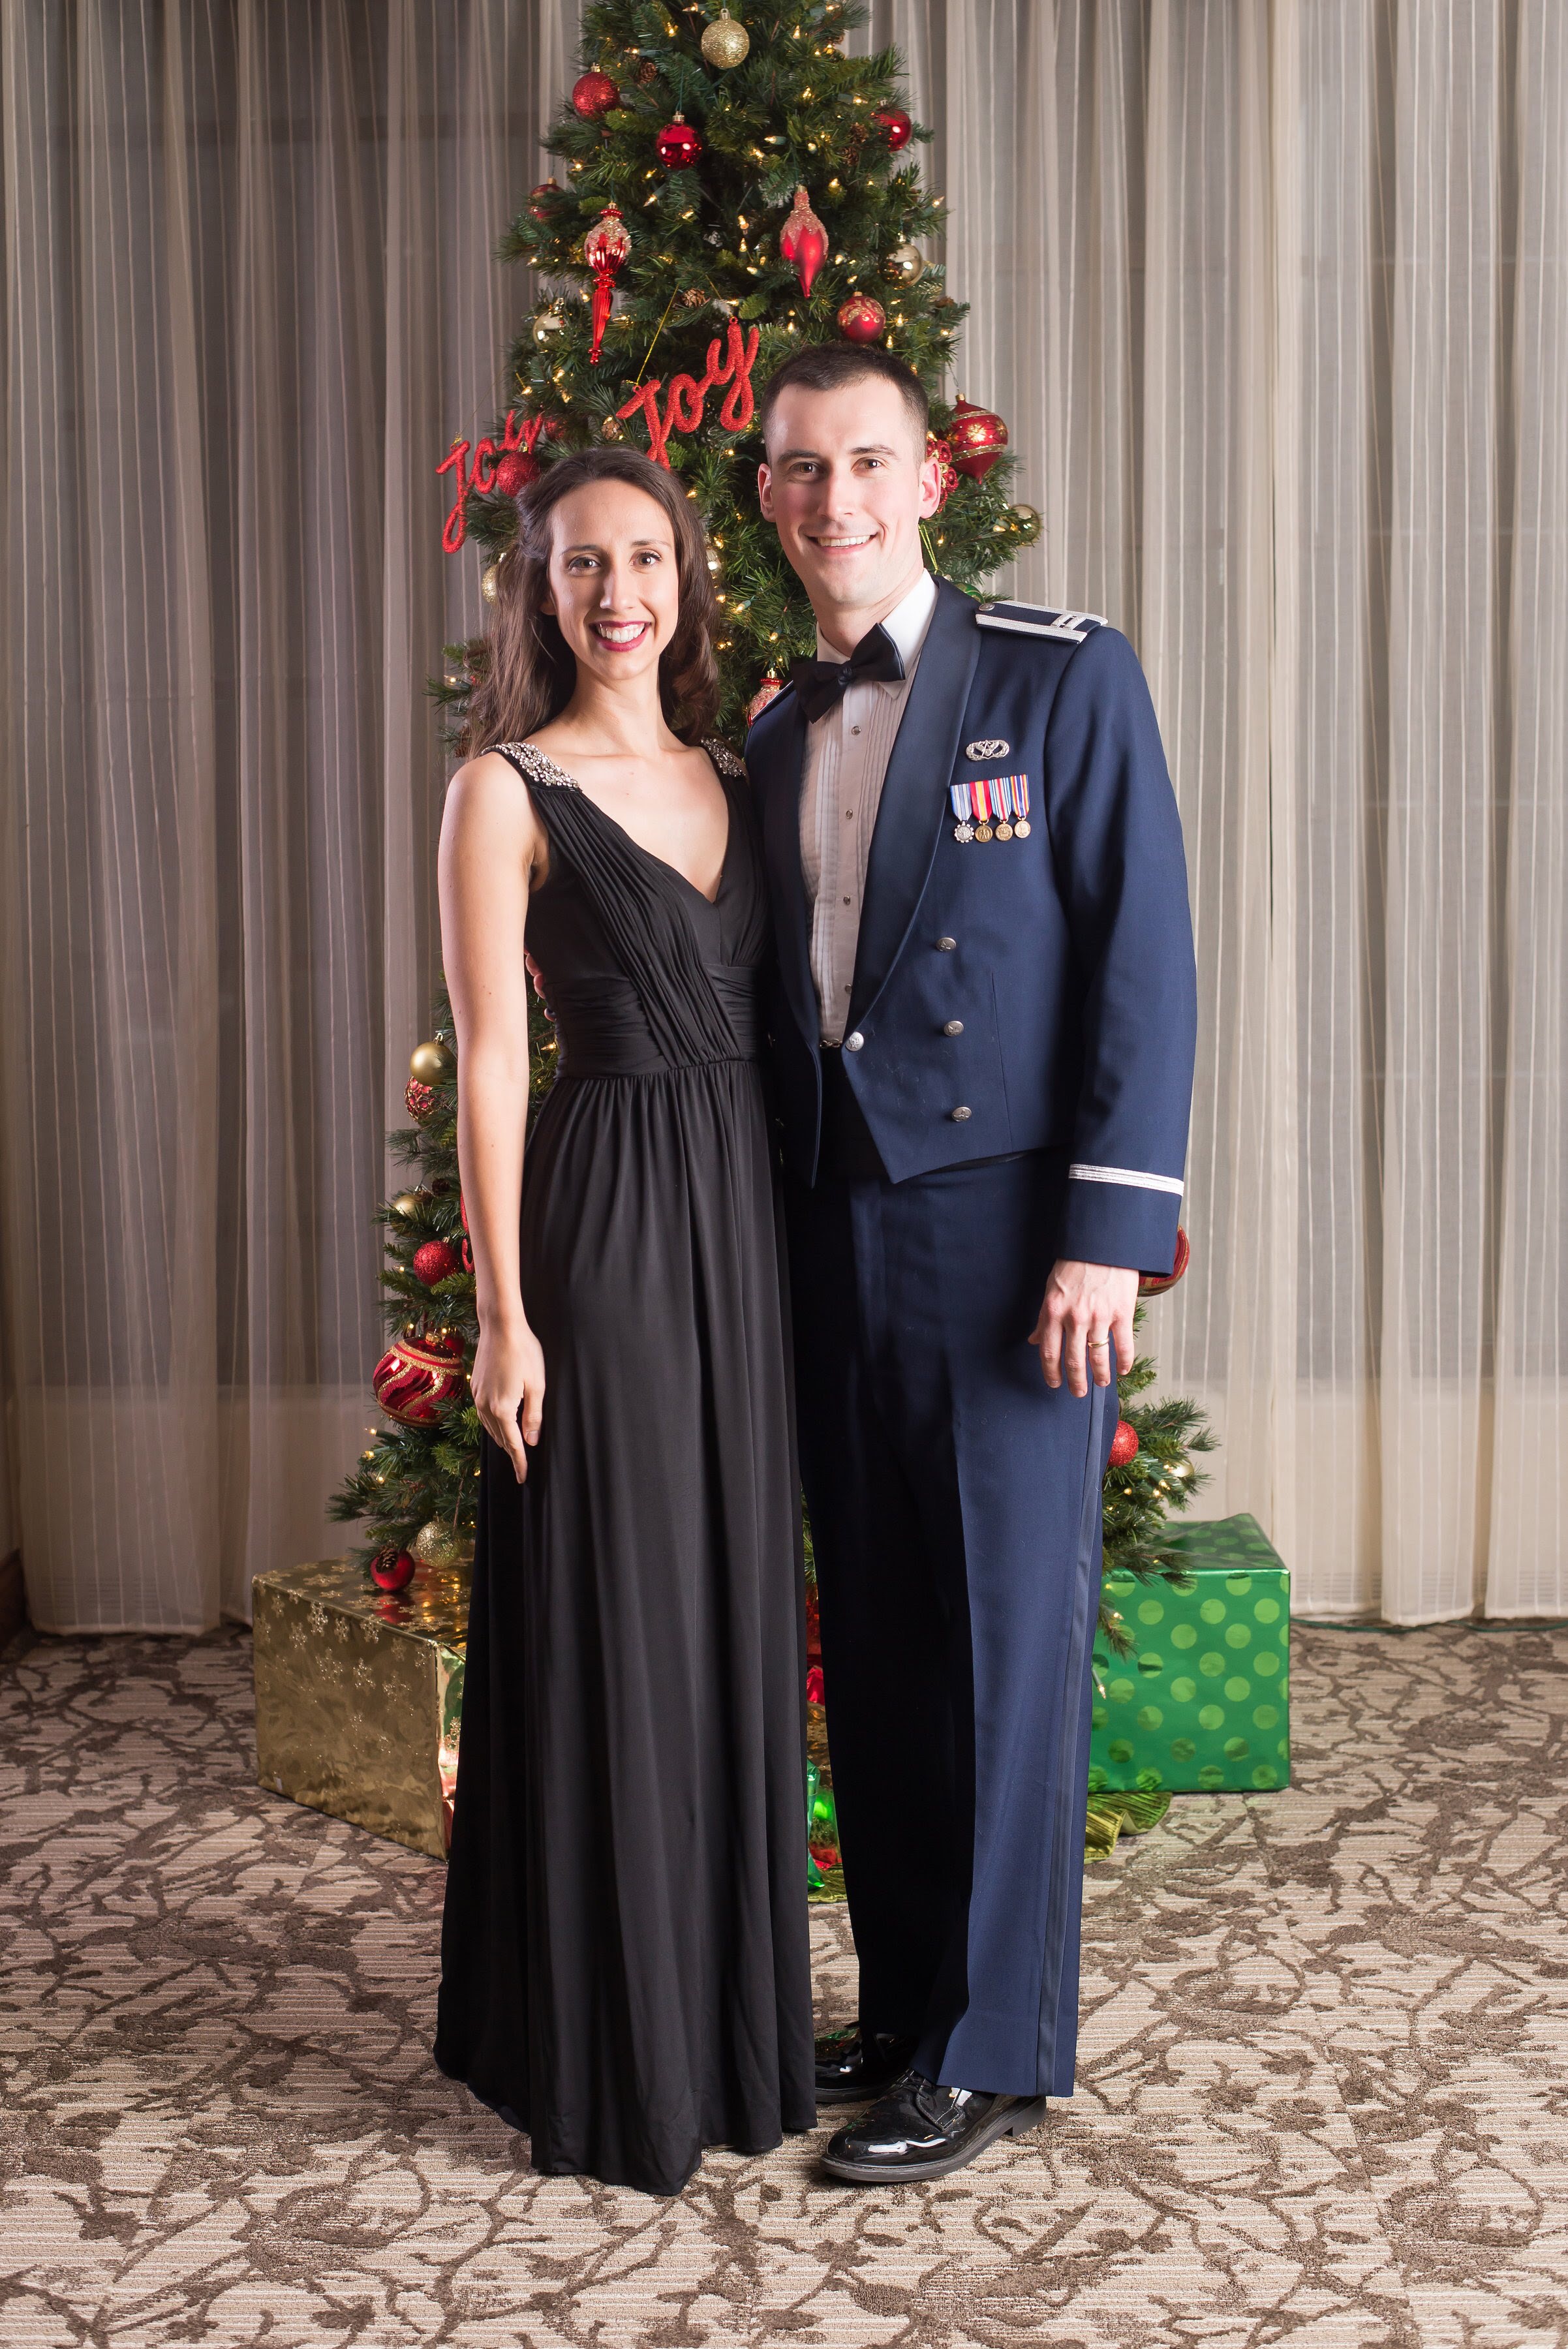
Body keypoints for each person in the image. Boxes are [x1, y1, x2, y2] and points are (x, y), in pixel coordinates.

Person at [746, 345, 1198, 2185]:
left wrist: (1109, 1237)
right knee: (876, 1637)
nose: (835, 498)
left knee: (1005, 1640)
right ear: (766, 496)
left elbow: (1142, 961)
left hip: (1011, 1236)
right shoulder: (769, 728)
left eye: (867, 461)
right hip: (826, 1226)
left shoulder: (1059, 677)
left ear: (931, 479)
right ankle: (910, 2000)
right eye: (800, 468)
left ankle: (996, 2045)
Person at [432, 445, 816, 2197]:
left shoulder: (742, 772)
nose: (617, 593)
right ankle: (612, 2055)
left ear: (685, 580)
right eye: (581, 563)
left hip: (748, 1223)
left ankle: (728, 2032)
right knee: (626, 1614)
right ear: (540, 589)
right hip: (605, 1234)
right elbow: (492, 1068)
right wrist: (505, 1316)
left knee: (730, 1610)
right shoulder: (501, 791)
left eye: (644, 558)